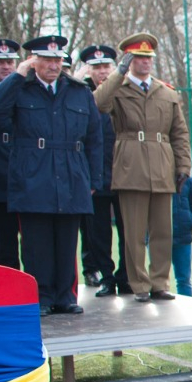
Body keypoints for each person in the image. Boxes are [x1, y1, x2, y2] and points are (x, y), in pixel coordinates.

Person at [0, 36, 103, 314]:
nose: (54, 65)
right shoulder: (20, 88)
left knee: (66, 241)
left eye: (57, 60)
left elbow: (94, 138)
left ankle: (66, 297)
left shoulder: (78, 91)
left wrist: (94, 179)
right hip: (32, 176)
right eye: (47, 60)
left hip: (71, 175)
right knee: (36, 244)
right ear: (33, 61)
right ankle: (42, 297)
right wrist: (17, 76)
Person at [93, 33, 191, 301]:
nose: (145, 62)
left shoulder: (166, 92)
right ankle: (139, 285)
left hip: (161, 166)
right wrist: (118, 73)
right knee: (133, 233)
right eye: (138, 57)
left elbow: (179, 133)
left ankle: (160, 282)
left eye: (148, 57)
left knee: (162, 231)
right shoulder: (118, 89)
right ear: (129, 59)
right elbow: (98, 103)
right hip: (131, 166)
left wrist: (183, 166)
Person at [76, 44, 129, 297]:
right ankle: (106, 277)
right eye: (96, 67)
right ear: (88, 70)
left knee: (129, 230)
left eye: (106, 66)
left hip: (124, 173)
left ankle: (126, 277)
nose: (102, 72)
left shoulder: (125, 92)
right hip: (95, 175)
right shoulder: (81, 94)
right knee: (98, 233)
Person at [0, 38, 21, 269]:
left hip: (17, 171)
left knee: (10, 241)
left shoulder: (24, 88)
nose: (6, 66)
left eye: (10, 62)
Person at [171, 170, 192, 297]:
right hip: (159, 237)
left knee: (184, 280)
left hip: (183, 235)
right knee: (159, 282)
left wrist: (187, 221)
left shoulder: (188, 181)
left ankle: (187, 307)